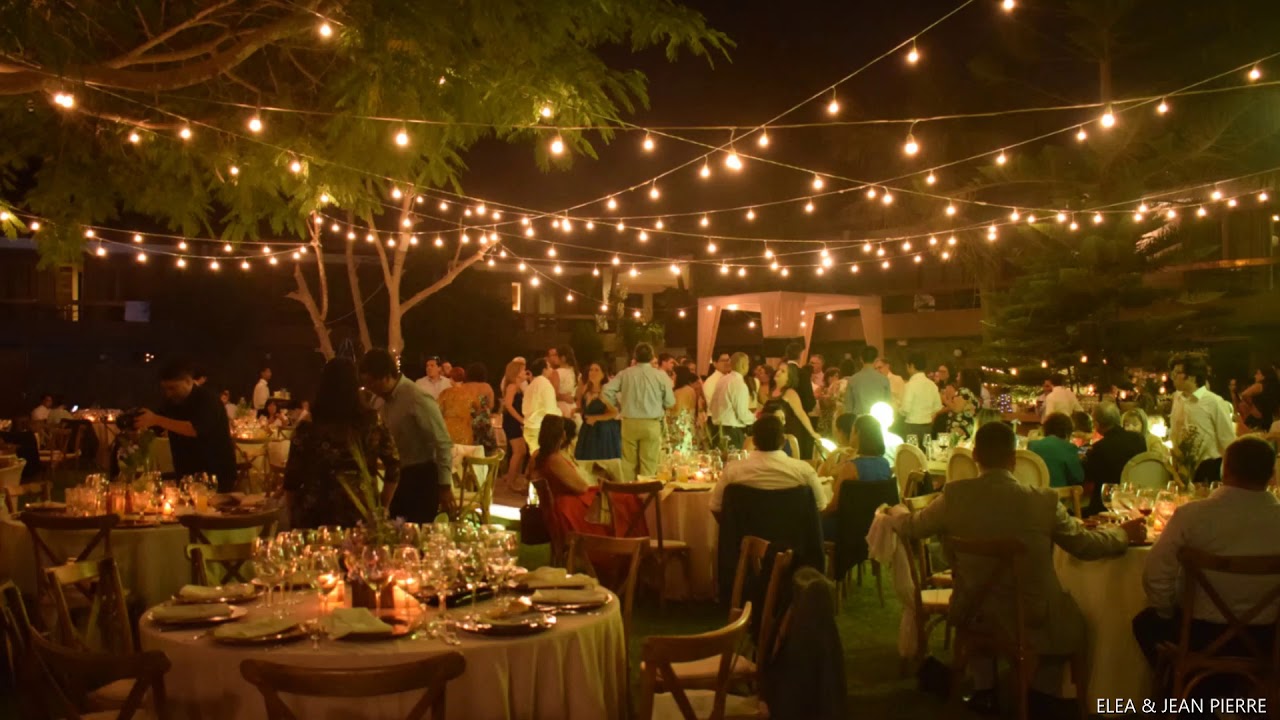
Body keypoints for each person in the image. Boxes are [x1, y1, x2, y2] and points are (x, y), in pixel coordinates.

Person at [897, 421, 1145, 713]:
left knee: (990, 598)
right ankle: (1045, 693)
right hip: (1032, 617)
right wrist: (1121, 534)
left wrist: (891, 515)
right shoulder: (1042, 501)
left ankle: (985, 688)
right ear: (1013, 459)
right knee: (1079, 618)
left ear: (975, 456)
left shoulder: (953, 496)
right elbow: (1085, 545)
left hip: (972, 611)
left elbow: (912, 527)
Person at [1133, 436, 1279, 682]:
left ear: (1225, 470)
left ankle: (1187, 688)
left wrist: (1167, 612)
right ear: (1271, 475)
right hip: (1268, 637)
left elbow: (1155, 575)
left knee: (1145, 623)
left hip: (1200, 634)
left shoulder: (1192, 516)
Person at [284, 358, 400, 529]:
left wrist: (292, 514)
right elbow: (394, 464)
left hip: (315, 515)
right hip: (361, 513)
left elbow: (291, 478)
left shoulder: (309, 428)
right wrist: (383, 505)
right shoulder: (371, 423)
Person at [359, 348, 454, 523]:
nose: (370, 388)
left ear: (386, 376)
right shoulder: (378, 400)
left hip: (420, 476)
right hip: (396, 476)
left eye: (372, 382)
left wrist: (445, 485)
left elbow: (441, 442)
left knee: (416, 532)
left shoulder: (415, 397)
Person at [529, 416, 643, 538]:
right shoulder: (554, 459)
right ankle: (634, 536)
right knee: (627, 499)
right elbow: (581, 487)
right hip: (570, 508)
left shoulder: (536, 455)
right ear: (563, 435)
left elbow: (530, 476)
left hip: (559, 507)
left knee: (620, 496)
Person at [134, 358, 238, 493]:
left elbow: (194, 429)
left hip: (215, 475)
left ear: (188, 381)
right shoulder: (171, 402)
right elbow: (156, 426)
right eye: (165, 389)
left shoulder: (208, 399)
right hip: (185, 474)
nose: (168, 393)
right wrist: (138, 427)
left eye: (173, 388)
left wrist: (157, 419)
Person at [710, 415, 830, 517]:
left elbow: (715, 507)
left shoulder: (732, 471)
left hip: (746, 537)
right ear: (783, 441)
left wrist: (735, 531)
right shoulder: (804, 471)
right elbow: (821, 506)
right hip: (793, 536)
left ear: (754, 441)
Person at [603, 342, 675, 480]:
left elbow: (606, 391)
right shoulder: (660, 375)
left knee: (628, 463)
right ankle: (646, 491)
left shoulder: (625, 373)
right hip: (651, 423)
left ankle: (629, 491)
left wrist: (616, 406)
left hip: (629, 422)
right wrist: (660, 404)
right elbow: (670, 402)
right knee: (649, 464)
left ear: (635, 356)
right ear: (652, 357)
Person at [823, 414, 892, 538]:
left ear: (858, 433)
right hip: (876, 527)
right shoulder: (885, 464)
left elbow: (834, 506)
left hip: (848, 528)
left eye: (852, 431)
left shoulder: (851, 467)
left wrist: (817, 515)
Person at [1169, 353, 1235, 482]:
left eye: (1178, 372)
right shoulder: (1178, 398)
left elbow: (1227, 441)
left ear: (1192, 377)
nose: (1173, 376)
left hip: (1209, 469)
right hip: (1183, 468)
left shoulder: (1214, 402)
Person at [1082, 403, 1147, 516]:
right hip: (1134, 501)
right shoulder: (1139, 439)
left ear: (1097, 424)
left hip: (1105, 505)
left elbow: (1088, 477)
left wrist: (1084, 459)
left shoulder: (1100, 447)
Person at [773, 360, 821, 461]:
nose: (778, 372)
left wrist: (813, 433)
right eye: (778, 369)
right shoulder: (772, 391)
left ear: (789, 378)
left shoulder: (790, 393)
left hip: (787, 434)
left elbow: (801, 413)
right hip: (773, 433)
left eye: (783, 371)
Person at [438, 365, 495, 445]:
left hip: (466, 422)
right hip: (482, 421)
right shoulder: (486, 387)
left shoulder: (464, 387)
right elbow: (491, 405)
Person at [575, 362, 621, 461]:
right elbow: (587, 409)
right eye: (591, 370)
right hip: (588, 430)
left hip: (603, 431)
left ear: (603, 374)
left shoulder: (606, 391)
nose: (592, 372)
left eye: (596, 370)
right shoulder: (586, 389)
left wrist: (595, 418)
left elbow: (614, 412)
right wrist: (577, 410)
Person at [710, 352, 755, 450]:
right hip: (731, 432)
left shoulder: (722, 380)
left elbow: (712, 405)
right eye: (748, 364)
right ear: (743, 365)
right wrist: (755, 418)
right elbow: (742, 414)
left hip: (717, 430)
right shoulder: (739, 384)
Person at [1028, 413, 1085, 489]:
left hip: (1034, 493)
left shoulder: (1032, 445)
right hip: (1058, 494)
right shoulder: (1069, 448)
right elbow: (1078, 478)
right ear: (1067, 434)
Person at [499, 359, 528, 493]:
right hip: (512, 421)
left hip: (515, 421)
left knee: (521, 451)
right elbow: (508, 405)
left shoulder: (518, 386)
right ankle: (510, 482)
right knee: (518, 451)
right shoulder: (512, 387)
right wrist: (520, 419)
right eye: (522, 370)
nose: (525, 372)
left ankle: (512, 478)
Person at [521, 358, 560, 455]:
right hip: (539, 427)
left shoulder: (531, 385)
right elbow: (550, 409)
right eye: (549, 367)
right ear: (544, 370)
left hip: (529, 426)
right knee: (542, 457)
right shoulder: (545, 384)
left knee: (534, 455)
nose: (551, 369)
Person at [901, 352, 942, 444]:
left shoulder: (910, 385)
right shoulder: (932, 384)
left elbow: (905, 409)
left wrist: (898, 408)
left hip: (912, 427)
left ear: (911, 366)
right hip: (927, 427)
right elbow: (938, 407)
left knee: (912, 452)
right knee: (926, 451)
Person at [845, 346, 890, 417]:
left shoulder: (853, 379)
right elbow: (887, 404)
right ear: (876, 359)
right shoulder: (884, 379)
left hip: (858, 419)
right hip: (878, 418)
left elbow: (848, 408)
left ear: (861, 359)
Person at [944, 368, 982, 442]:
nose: (956, 378)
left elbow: (957, 409)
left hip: (959, 428)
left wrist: (944, 399)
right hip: (968, 427)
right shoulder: (973, 394)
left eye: (958, 376)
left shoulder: (964, 391)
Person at [1239, 365, 1280, 431]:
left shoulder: (1260, 385)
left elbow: (1244, 394)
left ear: (1264, 376)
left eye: (1257, 374)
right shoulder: (1275, 388)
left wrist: (1251, 404)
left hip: (1257, 418)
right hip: (1269, 419)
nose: (1255, 376)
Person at [784, 342, 817, 416]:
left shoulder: (777, 372)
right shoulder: (803, 374)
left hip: (781, 413)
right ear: (800, 355)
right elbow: (809, 400)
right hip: (798, 414)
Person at [553, 346, 579, 419]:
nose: (554, 358)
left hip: (561, 407)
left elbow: (553, 394)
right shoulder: (576, 372)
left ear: (563, 358)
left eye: (556, 355)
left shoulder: (557, 373)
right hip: (572, 406)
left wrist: (564, 397)